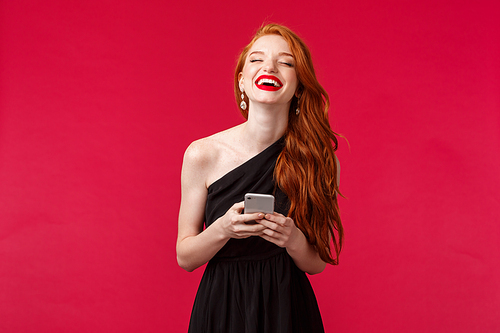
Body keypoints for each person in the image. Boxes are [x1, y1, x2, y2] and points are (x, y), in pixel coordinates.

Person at [176, 23, 343, 333]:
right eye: (256, 59)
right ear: (242, 82)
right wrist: (224, 228)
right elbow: (185, 256)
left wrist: (292, 239)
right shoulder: (202, 154)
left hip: (288, 307)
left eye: (286, 61)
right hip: (221, 305)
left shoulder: (320, 159)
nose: (269, 66)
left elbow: (316, 264)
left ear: (299, 85)